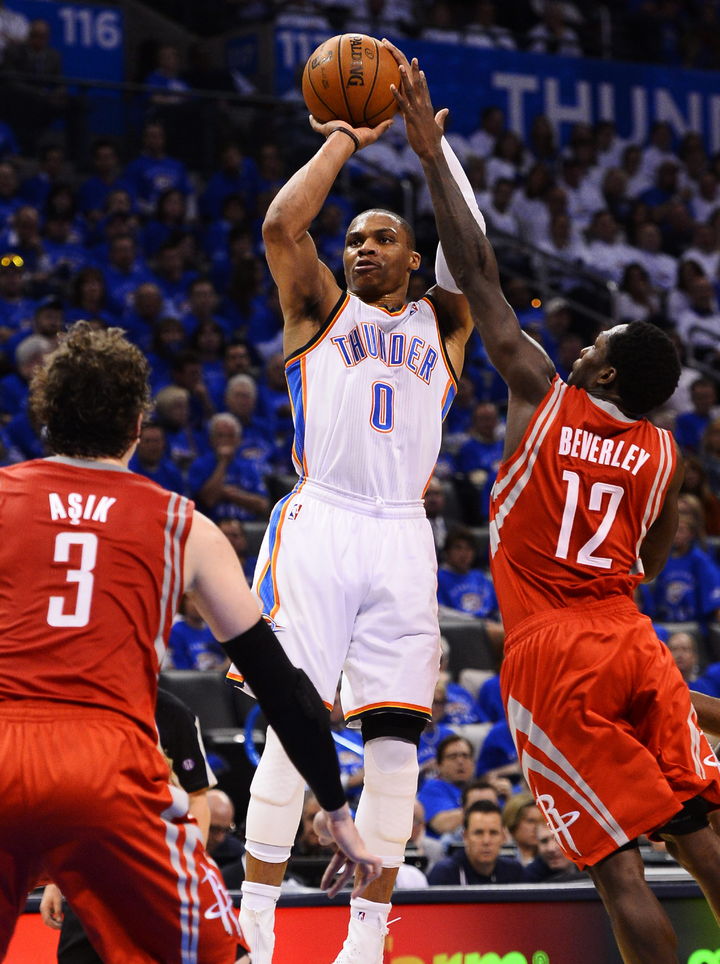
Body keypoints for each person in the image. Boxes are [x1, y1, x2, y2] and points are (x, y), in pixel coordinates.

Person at [389, 48, 720, 963]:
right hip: (634, 639)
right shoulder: (668, 455)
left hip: (554, 651)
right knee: (699, 839)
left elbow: (478, 271)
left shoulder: (543, 394)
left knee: (618, 871)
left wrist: (432, 157)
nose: (578, 347)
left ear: (604, 375)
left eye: (594, 345)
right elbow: (648, 562)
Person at [0, 322, 381, 964]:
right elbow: (279, 685)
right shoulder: (183, 526)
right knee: (222, 957)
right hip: (109, 766)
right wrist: (337, 808)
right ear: (137, 424)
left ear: (47, 418)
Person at [230, 43, 477, 964]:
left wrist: (432, 153)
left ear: (414, 257)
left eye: (380, 238)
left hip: (404, 534)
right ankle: (256, 922)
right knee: (291, 724)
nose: (360, 247)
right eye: (353, 240)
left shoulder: (445, 322)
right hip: (323, 521)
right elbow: (280, 226)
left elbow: (473, 252)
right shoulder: (320, 310)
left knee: (396, 741)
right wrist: (342, 137)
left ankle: (367, 938)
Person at [40, 687, 242, 962]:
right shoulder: (80, 706)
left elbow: (197, 798)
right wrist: (56, 879)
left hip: (158, 868)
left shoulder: (173, 713)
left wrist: (193, 866)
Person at [427, 800, 526, 885]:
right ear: (465, 836)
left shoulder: (514, 871)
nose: (486, 841)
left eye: (493, 833)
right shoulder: (445, 873)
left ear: (503, 837)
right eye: (478, 833)